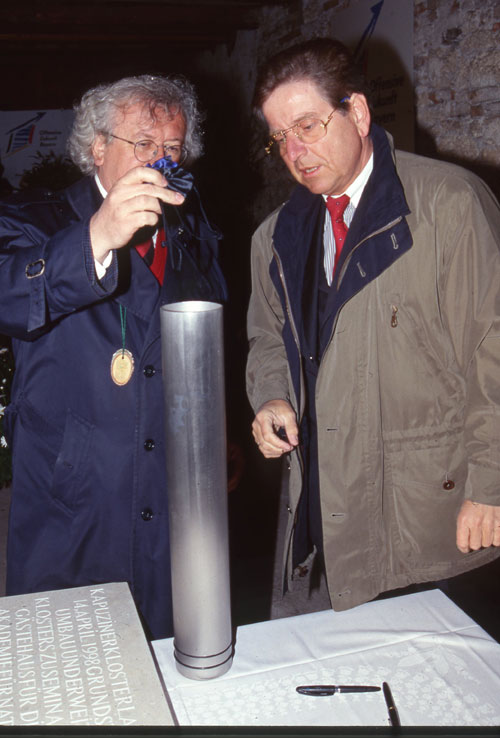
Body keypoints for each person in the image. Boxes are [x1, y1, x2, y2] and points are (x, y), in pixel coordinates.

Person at [246, 38, 500, 615]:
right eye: (280, 137)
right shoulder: (275, 237)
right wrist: (271, 397)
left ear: (357, 113)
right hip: (317, 508)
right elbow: (266, 337)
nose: (295, 151)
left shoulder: (448, 205)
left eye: (307, 125)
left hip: (422, 516)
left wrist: (492, 485)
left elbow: (495, 348)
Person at [0, 74, 226, 639]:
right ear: (97, 146)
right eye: (142, 144)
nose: (159, 162)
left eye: (171, 148)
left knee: (172, 647)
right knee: (69, 658)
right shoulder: (32, 217)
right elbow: (8, 293)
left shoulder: (192, 228)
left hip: (171, 486)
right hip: (73, 493)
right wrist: (98, 236)